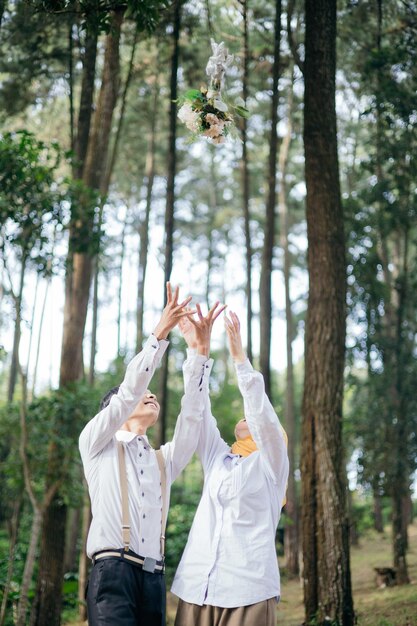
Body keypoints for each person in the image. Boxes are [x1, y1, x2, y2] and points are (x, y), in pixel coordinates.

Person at [79, 283, 225, 626]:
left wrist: (198, 355)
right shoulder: (97, 444)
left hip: (155, 579)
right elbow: (128, 390)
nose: (149, 396)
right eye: (141, 394)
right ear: (117, 411)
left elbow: (192, 418)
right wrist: (160, 333)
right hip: (112, 574)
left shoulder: (162, 460)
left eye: (151, 394)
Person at [172, 310, 289, 626]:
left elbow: (263, 419)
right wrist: (199, 352)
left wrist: (240, 359)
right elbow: (198, 411)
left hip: (247, 591)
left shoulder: (272, 466)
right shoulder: (218, 460)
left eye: (249, 419)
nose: (244, 419)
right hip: (196, 588)